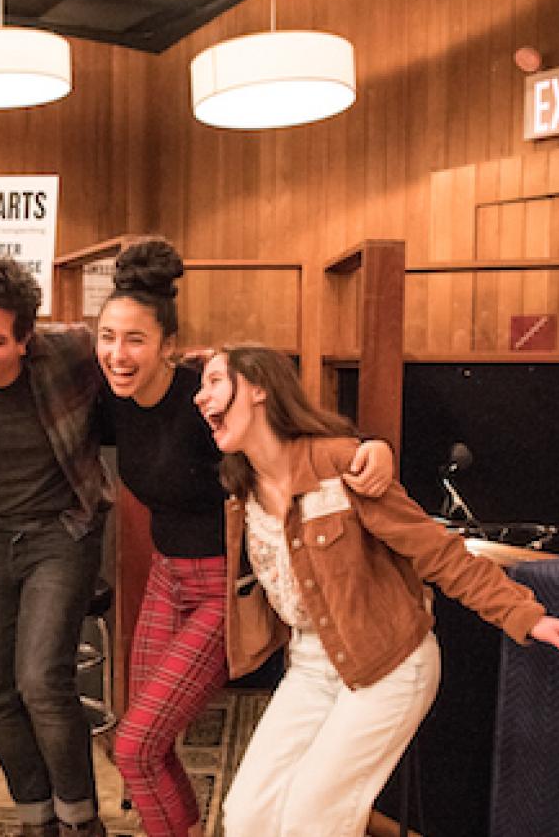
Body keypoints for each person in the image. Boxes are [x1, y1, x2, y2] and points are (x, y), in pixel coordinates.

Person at [192, 344, 559, 837]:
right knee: (246, 817)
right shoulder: (240, 487)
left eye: (215, 380)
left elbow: (437, 550)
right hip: (312, 665)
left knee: (309, 823)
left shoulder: (339, 464)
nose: (201, 397)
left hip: (389, 664)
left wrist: (526, 616)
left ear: (260, 386)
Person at [97, 240, 393, 837]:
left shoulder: (205, 398)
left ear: (168, 346)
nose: (117, 354)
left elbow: (296, 432)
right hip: (165, 575)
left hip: (224, 588)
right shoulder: (111, 401)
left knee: (133, 746)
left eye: (135, 339)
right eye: (106, 337)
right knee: (142, 748)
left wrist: (371, 446)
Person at [0, 257, 112, 837]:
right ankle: (36, 819)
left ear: (26, 339)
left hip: (60, 532)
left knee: (41, 679)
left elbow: (154, 358)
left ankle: (81, 820)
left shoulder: (71, 353)